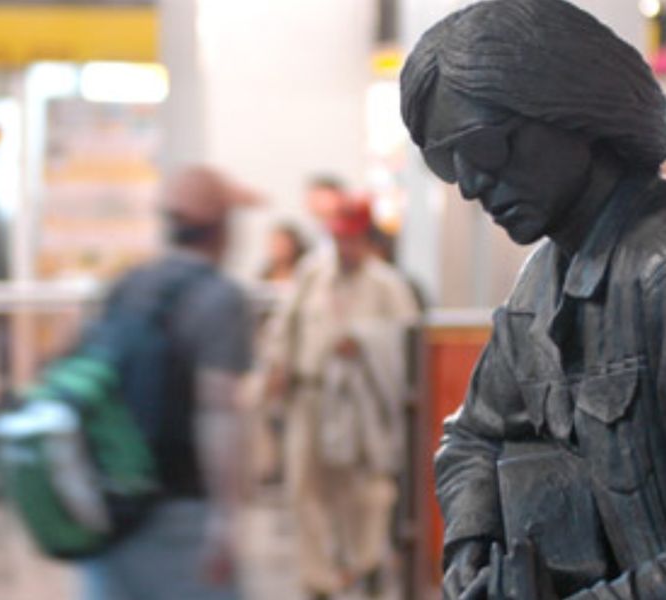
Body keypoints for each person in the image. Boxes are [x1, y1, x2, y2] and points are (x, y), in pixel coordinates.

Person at [400, 0, 666, 598]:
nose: (469, 184)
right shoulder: (535, 292)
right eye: (446, 162)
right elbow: (473, 436)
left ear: (571, 108)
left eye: (486, 145)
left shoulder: (657, 275)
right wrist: (472, 546)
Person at [79, 166, 255, 600]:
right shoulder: (221, 299)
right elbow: (218, 409)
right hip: (182, 512)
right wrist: (225, 518)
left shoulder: (126, 285)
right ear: (222, 230)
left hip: (111, 501)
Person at [265, 198, 419, 600]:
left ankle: (364, 563)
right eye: (338, 240)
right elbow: (285, 325)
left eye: (351, 240)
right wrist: (278, 367)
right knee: (304, 487)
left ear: (366, 241)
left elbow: (407, 343)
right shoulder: (312, 274)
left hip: (360, 402)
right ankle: (318, 579)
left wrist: (366, 342)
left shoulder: (388, 285)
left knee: (365, 489)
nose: (344, 249)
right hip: (310, 394)